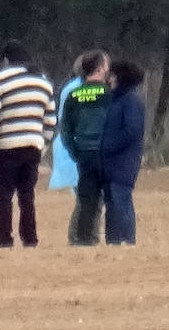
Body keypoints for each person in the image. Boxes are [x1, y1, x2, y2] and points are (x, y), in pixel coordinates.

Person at [0, 40, 56, 248]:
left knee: (4, 196)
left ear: (6, 59)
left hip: (6, 147)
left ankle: (4, 239)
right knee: (27, 195)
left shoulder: (0, 80)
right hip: (33, 146)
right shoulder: (43, 81)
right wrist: (43, 145)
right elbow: (50, 120)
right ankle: (30, 238)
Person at [59, 50, 111, 246]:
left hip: (84, 154)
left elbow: (65, 130)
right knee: (105, 199)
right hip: (105, 153)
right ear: (99, 68)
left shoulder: (73, 96)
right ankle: (93, 239)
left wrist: (76, 151)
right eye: (106, 66)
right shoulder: (109, 95)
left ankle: (81, 239)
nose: (108, 70)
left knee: (86, 198)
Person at [49, 54, 99, 243]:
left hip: (75, 147)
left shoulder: (71, 88)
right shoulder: (78, 89)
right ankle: (82, 236)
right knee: (87, 197)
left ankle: (82, 236)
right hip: (79, 148)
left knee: (86, 196)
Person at [102, 60, 146, 245]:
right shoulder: (114, 99)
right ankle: (113, 243)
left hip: (125, 161)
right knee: (111, 204)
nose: (109, 78)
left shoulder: (131, 100)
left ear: (119, 77)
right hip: (110, 161)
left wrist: (108, 145)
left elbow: (131, 130)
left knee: (122, 202)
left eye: (112, 75)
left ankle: (128, 242)